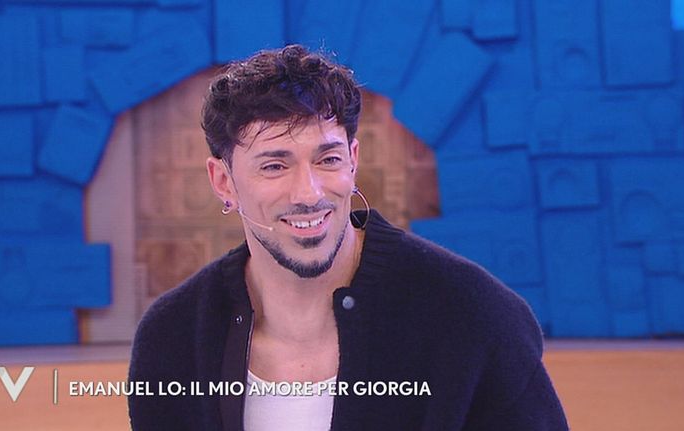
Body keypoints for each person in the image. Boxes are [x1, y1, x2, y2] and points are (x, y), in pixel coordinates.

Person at [128, 44, 569, 431]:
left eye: (328, 159)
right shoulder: (173, 338)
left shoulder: (475, 317)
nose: (309, 194)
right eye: (274, 166)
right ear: (223, 182)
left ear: (353, 160)